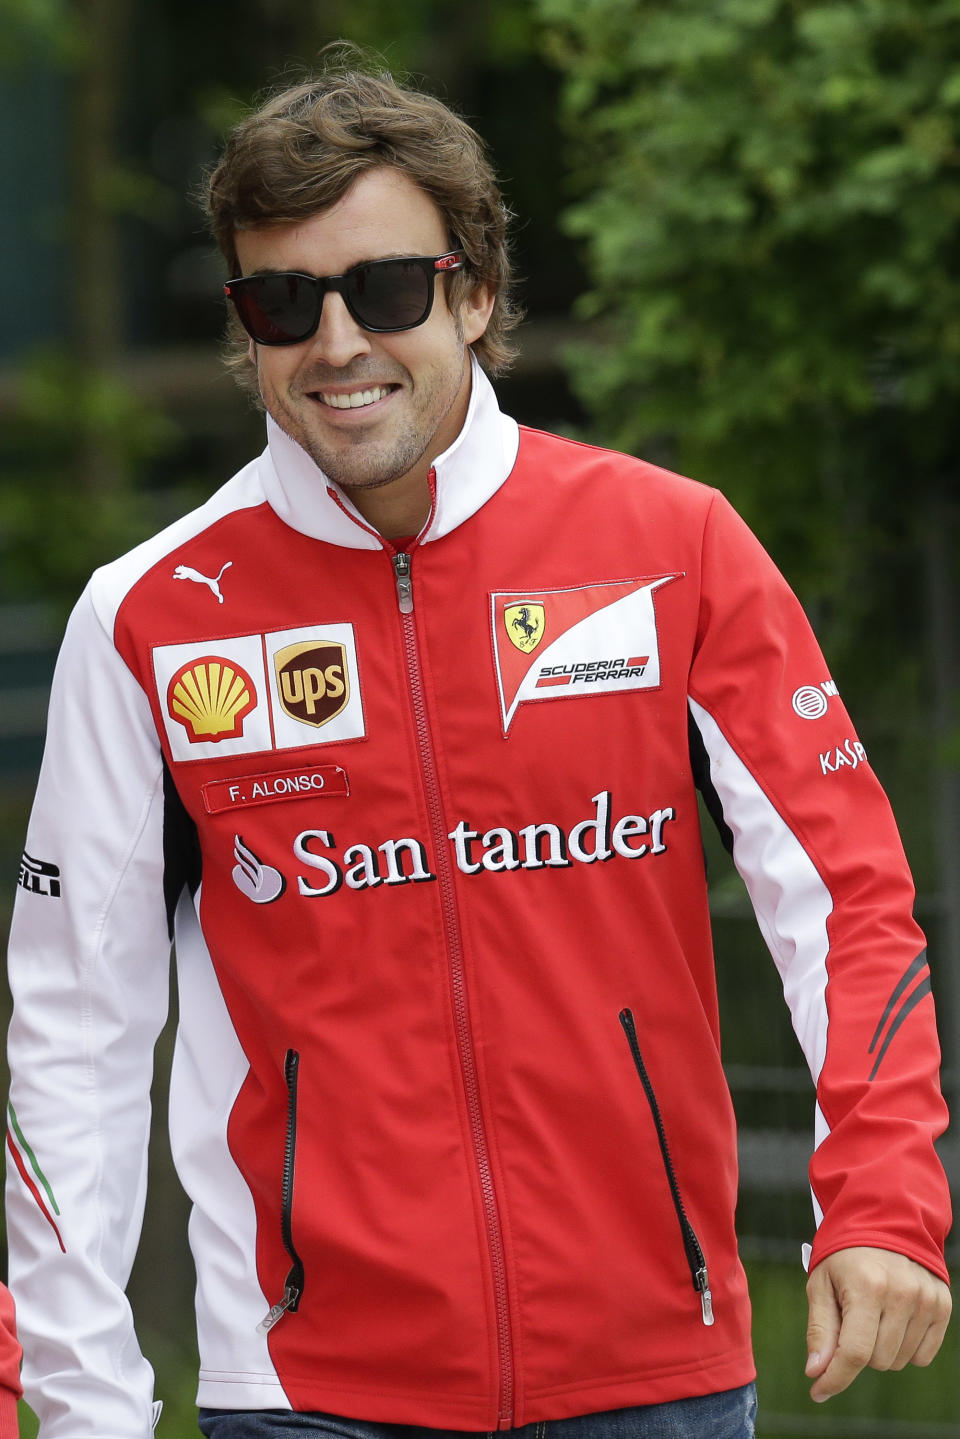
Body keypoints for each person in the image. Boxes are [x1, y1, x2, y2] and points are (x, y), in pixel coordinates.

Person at [5, 54, 952, 1439]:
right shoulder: (145, 617)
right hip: (309, 1395)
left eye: (384, 290)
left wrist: (883, 1199)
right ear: (242, 325)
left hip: (658, 1377)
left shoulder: (672, 547)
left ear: (477, 290)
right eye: (282, 302)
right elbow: (73, 1033)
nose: (336, 343)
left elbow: (850, 898)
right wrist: (82, 1401)